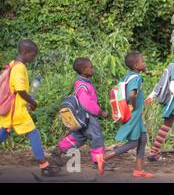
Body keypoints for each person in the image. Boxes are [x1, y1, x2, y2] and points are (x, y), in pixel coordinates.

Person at [0, 39, 60, 176]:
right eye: (33, 55)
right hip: (17, 111)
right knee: (34, 134)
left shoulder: (12, 65)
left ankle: (44, 166)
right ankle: (45, 167)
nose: (33, 58)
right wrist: (33, 102)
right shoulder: (20, 68)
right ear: (26, 53)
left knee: (3, 133)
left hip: (9, 110)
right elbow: (20, 90)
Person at [51, 58, 114, 173]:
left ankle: (58, 151)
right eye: (91, 67)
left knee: (78, 137)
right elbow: (87, 103)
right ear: (84, 70)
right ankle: (98, 161)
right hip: (88, 117)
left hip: (83, 117)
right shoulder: (83, 85)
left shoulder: (83, 83)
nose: (93, 69)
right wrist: (100, 112)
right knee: (97, 137)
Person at [100, 51, 154, 178]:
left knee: (143, 139)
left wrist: (146, 71)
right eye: (143, 61)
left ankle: (139, 170)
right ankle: (104, 158)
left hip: (134, 114)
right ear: (136, 65)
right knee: (133, 143)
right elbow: (131, 94)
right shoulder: (136, 78)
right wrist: (134, 104)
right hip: (133, 114)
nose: (145, 63)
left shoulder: (128, 76)